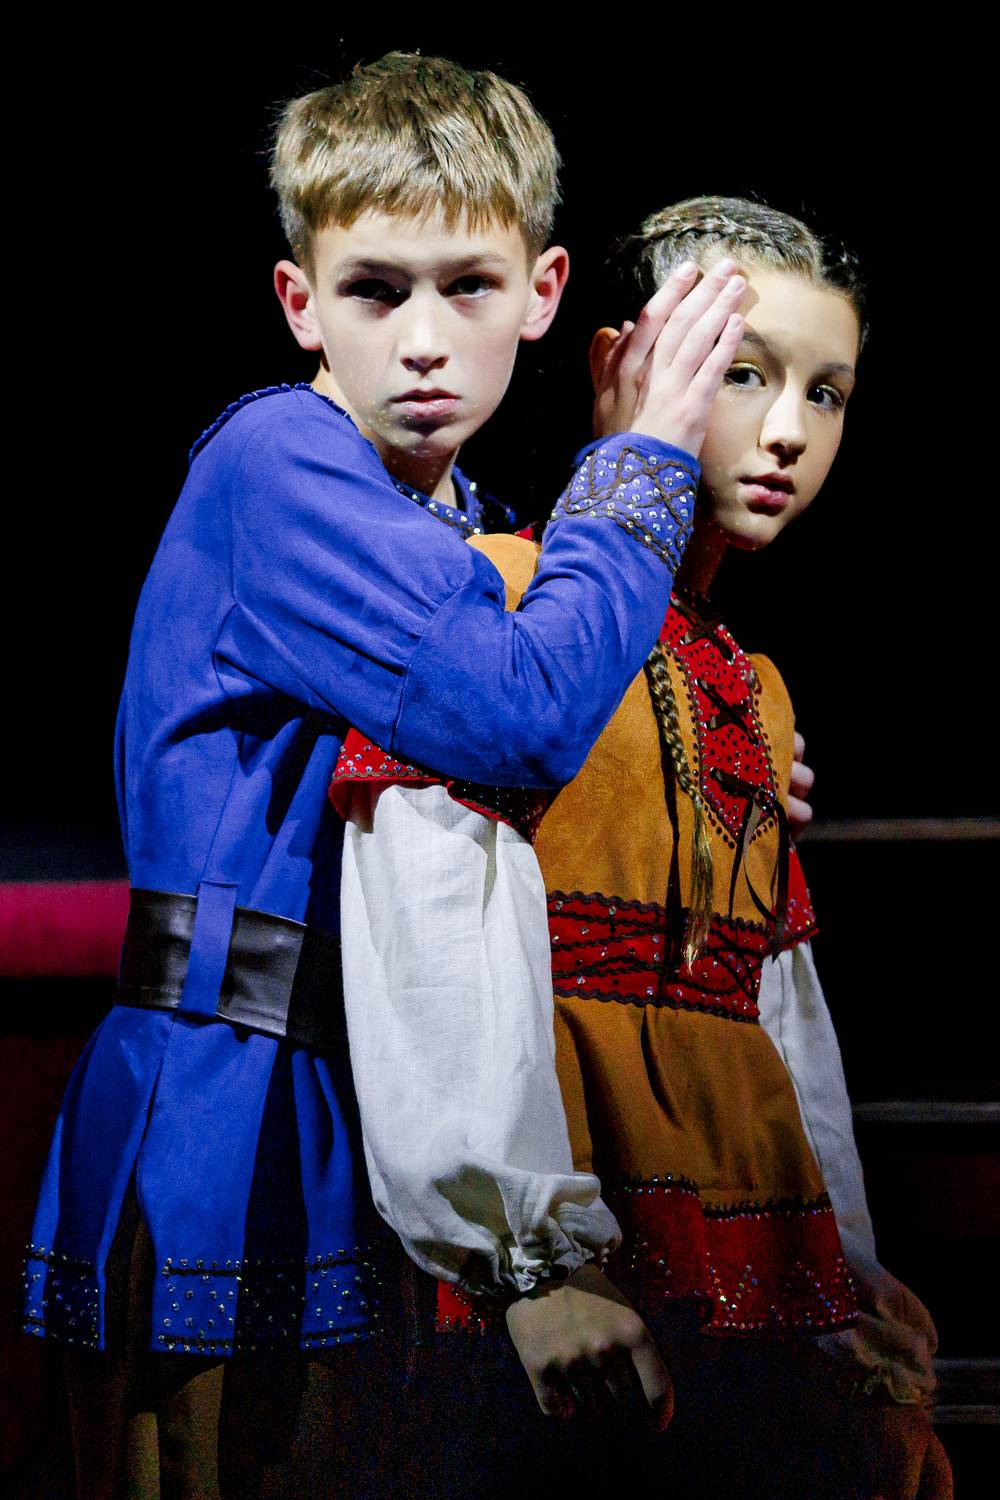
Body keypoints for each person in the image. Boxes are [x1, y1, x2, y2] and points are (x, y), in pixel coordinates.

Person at [20, 55, 746, 1499]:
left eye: (467, 287)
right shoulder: (279, 463)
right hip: (232, 1108)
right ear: (301, 302)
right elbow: (517, 711)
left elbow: (550, 741)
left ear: (542, 294)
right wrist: (645, 463)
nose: (422, 340)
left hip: (379, 1102)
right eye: (375, 290)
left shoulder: (468, 521)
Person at [334, 197, 952, 1498]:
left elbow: (777, 1003)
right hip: (578, 1227)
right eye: (744, 373)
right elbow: (432, 921)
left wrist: (843, 1258)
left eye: (827, 393)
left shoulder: (754, 686)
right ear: (625, 362)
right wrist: (528, 1265)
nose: (789, 431)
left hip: (751, 1241)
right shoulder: (503, 599)